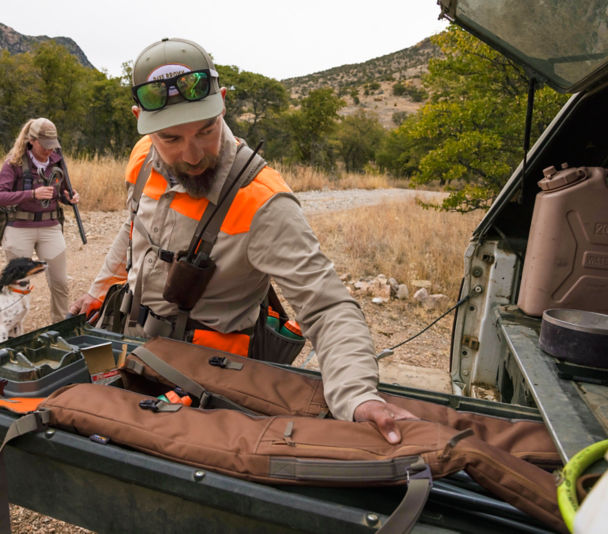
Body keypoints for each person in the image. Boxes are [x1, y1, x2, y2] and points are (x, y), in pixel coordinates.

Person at [69, 38, 414, 443]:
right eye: (172, 139)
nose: (193, 154)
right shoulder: (144, 156)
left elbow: (326, 306)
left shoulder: (262, 200)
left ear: (224, 103)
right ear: (140, 120)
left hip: (205, 383)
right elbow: (131, 230)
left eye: (205, 130)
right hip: (133, 345)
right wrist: (98, 292)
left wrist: (358, 396)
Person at [0, 117, 80, 323]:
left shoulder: (57, 162)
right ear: (31, 140)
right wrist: (32, 194)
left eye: (53, 145)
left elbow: (62, 192)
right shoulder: (13, 163)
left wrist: (70, 197)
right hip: (19, 228)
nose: (50, 150)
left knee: (60, 282)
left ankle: (60, 327)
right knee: (18, 284)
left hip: (50, 227)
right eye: (45, 145)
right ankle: (13, 329)